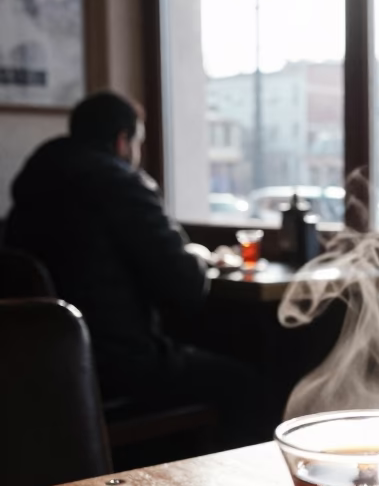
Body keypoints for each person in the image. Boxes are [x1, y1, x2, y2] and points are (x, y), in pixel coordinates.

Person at [5, 90, 262, 448]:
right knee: (247, 384)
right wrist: (198, 257)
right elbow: (186, 287)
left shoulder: (31, 190)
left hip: (45, 367)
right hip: (118, 367)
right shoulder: (122, 184)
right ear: (123, 141)